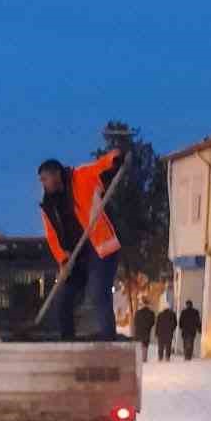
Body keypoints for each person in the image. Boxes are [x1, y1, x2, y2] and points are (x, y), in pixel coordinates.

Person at [37, 146, 124, 341]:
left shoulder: (82, 177)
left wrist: (115, 157)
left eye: (45, 179)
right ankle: (67, 341)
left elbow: (102, 166)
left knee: (97, 292)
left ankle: (107, 337)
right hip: (75, 255)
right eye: (41, 180)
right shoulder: (48, 205)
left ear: (56, 174)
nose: (43, 184)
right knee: (64, 298)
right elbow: (52, 236)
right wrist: (62, 259)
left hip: (100, 247)